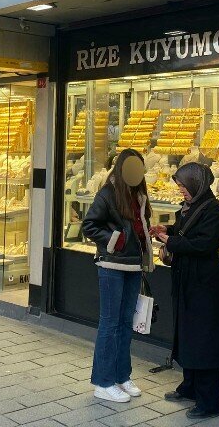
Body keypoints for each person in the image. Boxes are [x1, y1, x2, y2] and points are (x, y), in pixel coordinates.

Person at [154, 162, 219, 419]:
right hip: (188, 281)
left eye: (184, 186)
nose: (181, 190)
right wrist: (167, 230)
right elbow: (185, 231)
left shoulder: (214, 210)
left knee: (204, 339)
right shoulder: (191, 207)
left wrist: (171, 241)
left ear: (197, 184)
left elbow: (204, 244)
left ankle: (209, 402)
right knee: (188, 335)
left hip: (205, 284)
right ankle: (190, 387)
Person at [81, 148, 153, 404]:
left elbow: (138, 226)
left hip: (134, 265)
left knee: (125, 323)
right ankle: (103, 382)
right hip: (112, 265)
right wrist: (116, 240)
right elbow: (89, 225)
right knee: (110, 324)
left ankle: (122, 376)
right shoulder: (107, 193)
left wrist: (147, 235)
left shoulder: (139, 195)